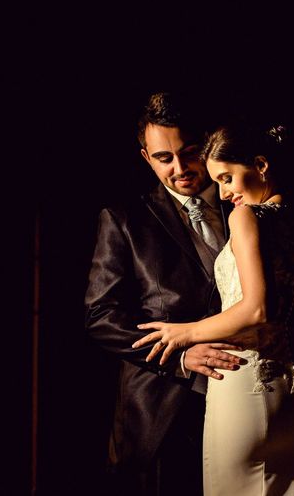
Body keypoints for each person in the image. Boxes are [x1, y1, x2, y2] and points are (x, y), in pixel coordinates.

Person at [132, 122, 294, 496]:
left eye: (227, 178)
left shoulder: (246, 218)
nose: (225, 193)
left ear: (261, 165)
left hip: (245, 381)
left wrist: (184, 332)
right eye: (219, 182)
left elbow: (257, 308)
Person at [85, 92, 243, 496]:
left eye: (189, 153)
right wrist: (181, 355)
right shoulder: (123, 220)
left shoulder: (245, 207)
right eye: (163, 158)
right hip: (164, 411)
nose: (180, 168)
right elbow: (101, 316)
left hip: (248, 400)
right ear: (145, 158)